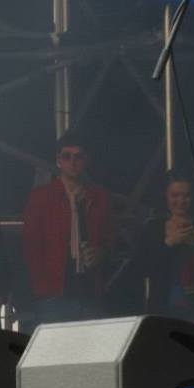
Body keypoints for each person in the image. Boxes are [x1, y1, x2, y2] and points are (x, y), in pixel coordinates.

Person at [21, 134, 113, 325]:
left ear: (86, 160)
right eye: (67, 156)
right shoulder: (42, 197)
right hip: (53, 294)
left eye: (78, 157)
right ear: (58, 160)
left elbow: (111, 239)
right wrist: (39, 287)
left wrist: (101, 252)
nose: (73, 162)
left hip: (90, 291)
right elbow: (31, 246)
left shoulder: (100, 197)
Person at [132, 172, 194, 326]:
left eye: (186, 196)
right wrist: (169, 243)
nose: (181, 201)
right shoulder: (153, 228)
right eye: (175, 195)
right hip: (164, 309)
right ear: (166, 196)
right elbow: (140, 269)